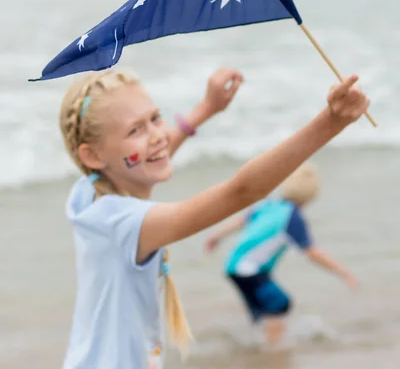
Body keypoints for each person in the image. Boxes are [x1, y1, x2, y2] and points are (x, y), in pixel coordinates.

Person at [59, 66, 368, 369]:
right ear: (93, 156)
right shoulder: (125, 223)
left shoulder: (89, 196)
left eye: (155, 118)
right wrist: (331, 122)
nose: (157, 136)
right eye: (135, 130)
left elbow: (152, 155)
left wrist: (206, 109)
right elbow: (241, 192)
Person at [205, 163, 358, 346]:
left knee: (261, 313)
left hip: (233, 266)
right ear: (311, 196)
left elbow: (241, 221)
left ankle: (258, 349)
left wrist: (216, 236)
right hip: (250, 270)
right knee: (280, 304)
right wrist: (343, 273)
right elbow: (312, 252)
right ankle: (274, 351)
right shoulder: (293, 218)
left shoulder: (269, 204)